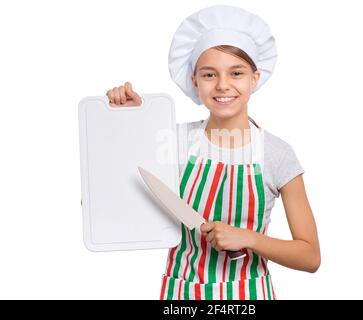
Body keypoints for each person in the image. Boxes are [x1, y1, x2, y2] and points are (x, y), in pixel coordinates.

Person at [106, 5, 320, 300]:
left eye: (236, 73)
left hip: (249, 297)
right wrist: (130, 122)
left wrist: (248, 238)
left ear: (254, 78)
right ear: (194, 80)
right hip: (183, 296)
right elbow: (114, 194)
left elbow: (310, 256)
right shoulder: (173, 140)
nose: (223, 85)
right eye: (209, 74)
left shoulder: (277, 154)